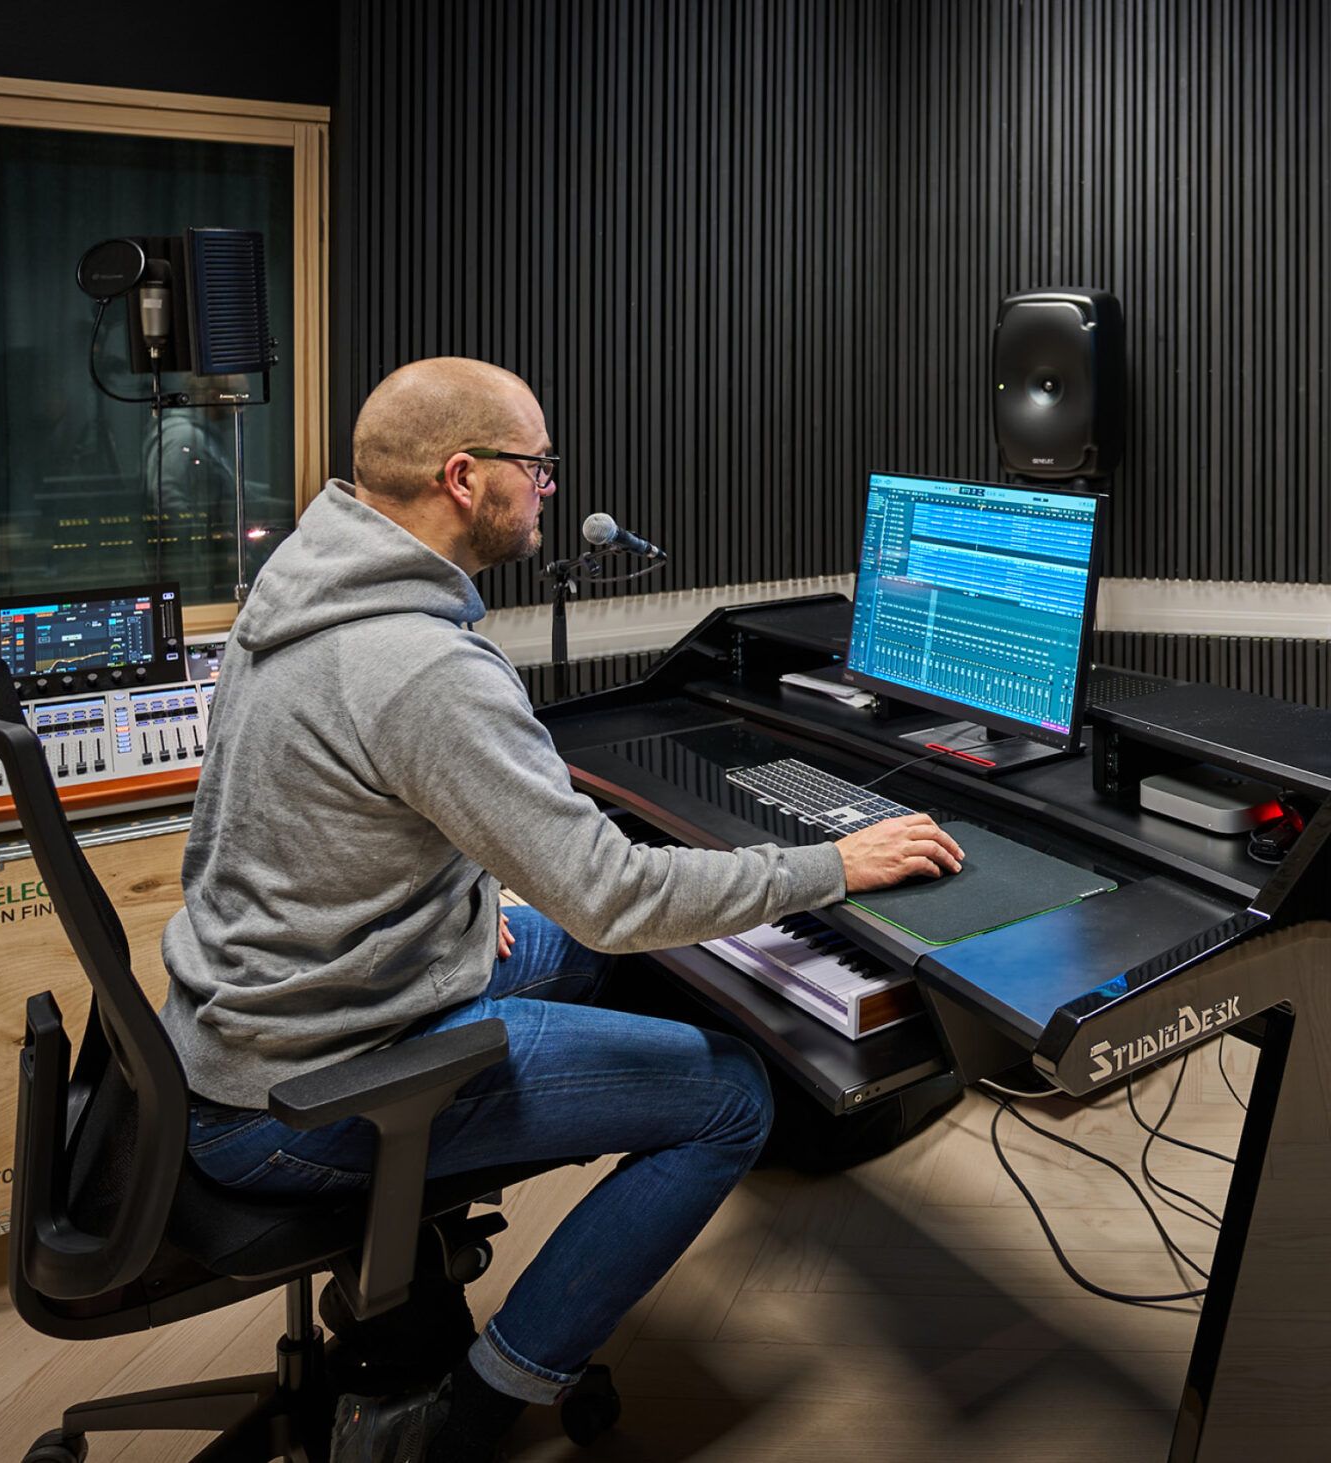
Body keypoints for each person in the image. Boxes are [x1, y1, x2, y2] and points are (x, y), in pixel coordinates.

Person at [160, 356, 964, 1463]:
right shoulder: (419, 665)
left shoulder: (305, 584)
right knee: (732, 1095)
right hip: (308, 1089)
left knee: (590, 961)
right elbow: (612, 894)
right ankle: (467, 1412)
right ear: (461, 477)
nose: (548, 486)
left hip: (254, 1022)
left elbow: (325, 811)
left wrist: (458, 886)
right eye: (535, 465)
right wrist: (833, 864)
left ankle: (433, 1286)